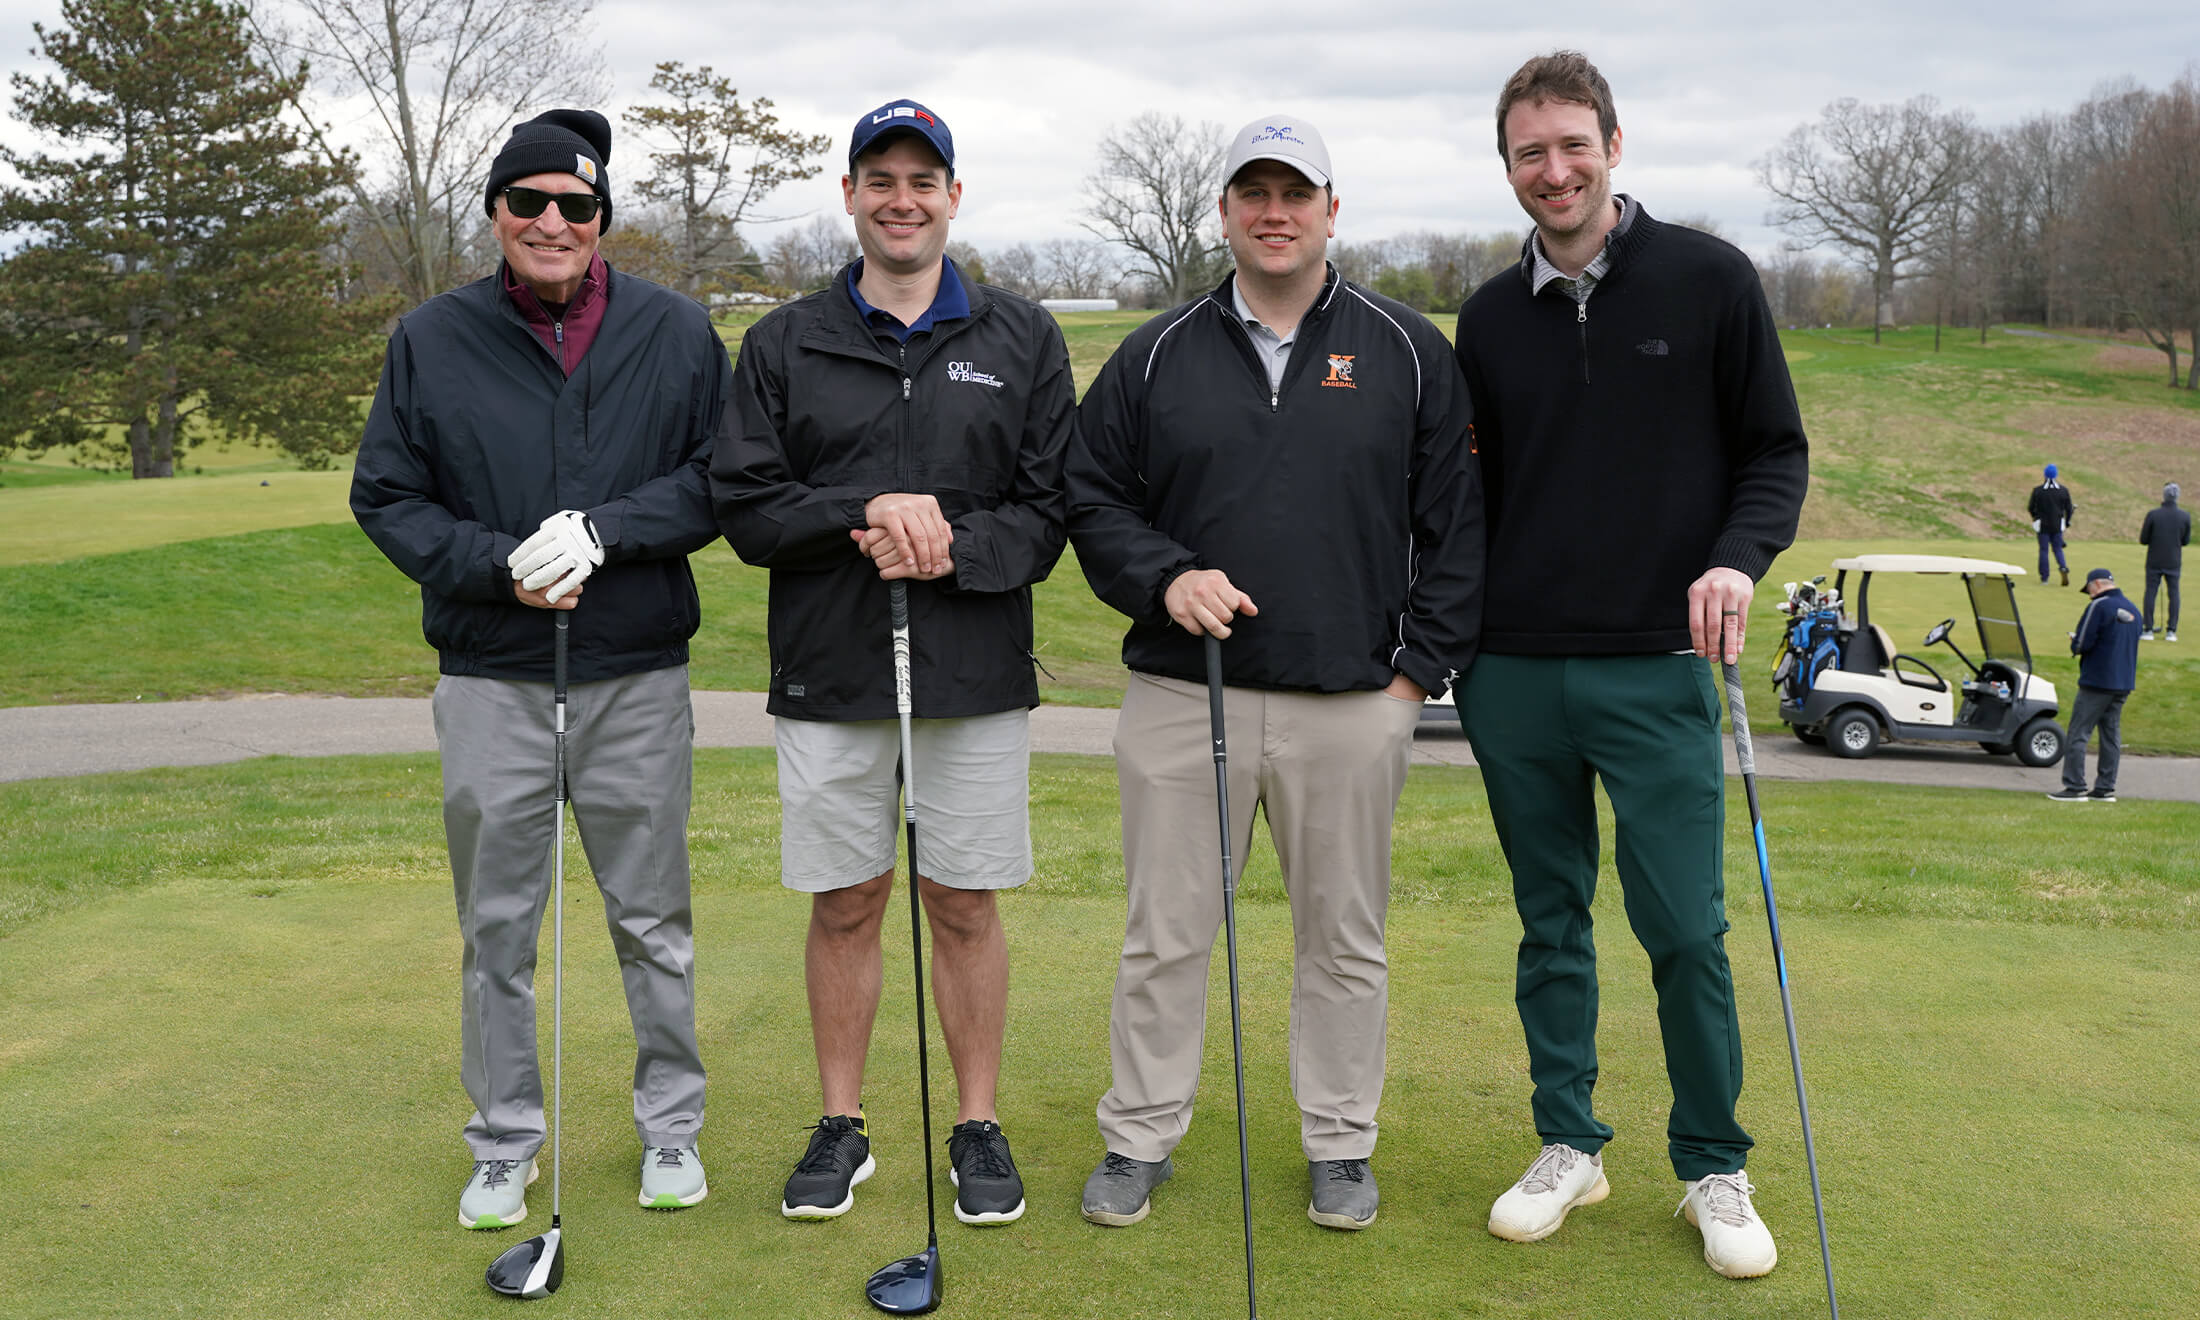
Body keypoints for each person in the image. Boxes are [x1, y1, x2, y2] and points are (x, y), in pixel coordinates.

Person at [1066, 114, 1483, 1233]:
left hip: (1352, 701)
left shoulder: (1402, 349)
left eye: (1295, 192)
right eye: (1252, 192)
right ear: (1225, 214)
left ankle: (1340, 1145)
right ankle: (1138, 1135)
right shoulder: (1157, 351)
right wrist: (1163, 577)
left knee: (1342, 943)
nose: (1274, 210)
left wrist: (1412, 682)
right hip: (1177, 694)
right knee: (1165, 935)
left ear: (1331, 210)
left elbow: (1455, 527)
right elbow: (1089, 498)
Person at [1450, 52, 1809, 1279]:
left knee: (1683, 931)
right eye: (1527, 153)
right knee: (1550, 925)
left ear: (1613, 142)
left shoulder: (1709, 279)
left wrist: (1738, 560)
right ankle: (1570, 1144)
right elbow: (1466, 496)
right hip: (1513, 672)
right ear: (1507, 168)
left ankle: (1713, 1163)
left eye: (1570, 145)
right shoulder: (1487, 317)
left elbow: (1773, 451)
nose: (1552, 171)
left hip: (1658, 664)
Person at [352, 109, 723, 1228]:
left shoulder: (676, 331)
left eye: (575, 205)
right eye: (528, 202)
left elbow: (720, 479)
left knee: (651, 918)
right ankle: (505, 1143)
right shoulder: (432, 336)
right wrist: (494, 567)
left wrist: (609, 530)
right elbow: (387, 495)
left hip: (633, 671)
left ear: (602, 220)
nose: (551, 222)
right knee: (497, 930)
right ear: (496, 214)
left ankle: (671, 1131)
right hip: (491, 678)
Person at [712, 99, 1072, 1228]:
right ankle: (842, 1123)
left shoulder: (1020, 337)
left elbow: (1050, 514)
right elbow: (749, 510)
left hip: (970, 673)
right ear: (852, 197)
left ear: (953, 197)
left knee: (962, 902)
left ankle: (975, 1123)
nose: (902, 199)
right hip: (830, 671)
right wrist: (863, 511)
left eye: (924, 180)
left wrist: (949, 545)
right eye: (882, 179)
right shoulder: (784, 342)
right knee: (846, 902)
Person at [2047, 568, 2142, 802]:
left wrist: (2074, 641)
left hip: (2097, 681)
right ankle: (2105, 787)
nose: (2089, 594)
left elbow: (2082, 643)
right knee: (2111, 736)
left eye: (2089, 589)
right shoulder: (2134, 609)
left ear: (2096, 585)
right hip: (2123, 682)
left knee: (2078, 733)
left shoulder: (2098, 606)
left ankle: (2075, 786)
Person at [2138, 482, 2187, 641]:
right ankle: (2171, 631)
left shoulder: (2153, 514)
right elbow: (2185, 541)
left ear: (2164, 496)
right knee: (2174, 594)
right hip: (2173, 560)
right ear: (2177, 497)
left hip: (2154, 560)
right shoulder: (2185, 516)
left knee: (2151, 592)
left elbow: (2144, 539)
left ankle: (2148, 630)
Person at [2029, 464, 2076, 586]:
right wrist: (2066, 522)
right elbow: (2069, 509)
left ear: (2045, 474)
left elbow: (2030, 508)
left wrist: (2035, 518)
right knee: (2058, 549)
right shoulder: (2063, 490)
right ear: (2056, 475)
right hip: (2057, 525)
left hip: (2042, 525)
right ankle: (2063, 567)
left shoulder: (2038, 491)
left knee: (2044, 550)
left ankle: (2044, 577)